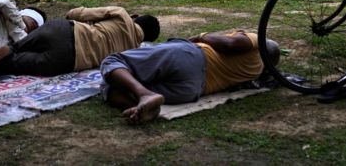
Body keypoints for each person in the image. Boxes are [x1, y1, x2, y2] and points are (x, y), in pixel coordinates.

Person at [0, 6, 160, 98]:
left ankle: (0, 53)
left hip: (65, 32)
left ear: (135, 17)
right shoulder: (134, 51)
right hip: (66, 61)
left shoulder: (121, 14)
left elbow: (75, 13)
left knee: (11, 50)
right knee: (7, 64)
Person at [99, 30, 280, 125]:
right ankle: (141, 106)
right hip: (191, 90)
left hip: (192, 57)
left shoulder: (256, 43)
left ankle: (144, 95)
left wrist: (201, 36)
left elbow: (229, 44)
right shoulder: (255, 72)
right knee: (112, 87)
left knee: (113, 60)